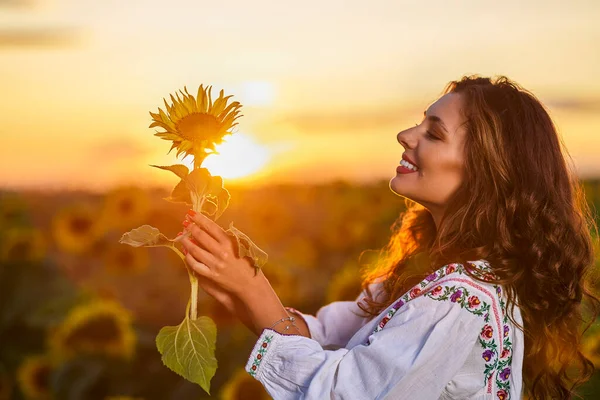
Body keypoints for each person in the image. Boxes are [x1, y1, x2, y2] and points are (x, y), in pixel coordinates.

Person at [179, 75, 600, 399]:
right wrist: (231, 282)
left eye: (434, 133)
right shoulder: (437, 272)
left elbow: (346, 391)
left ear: (487, 174)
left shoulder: (462, 297)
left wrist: (252, 291)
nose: (405, 135)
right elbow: (331, 332)